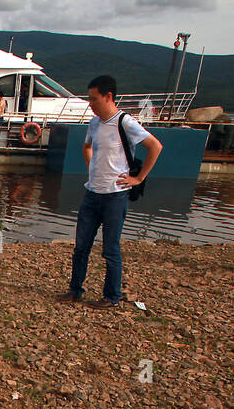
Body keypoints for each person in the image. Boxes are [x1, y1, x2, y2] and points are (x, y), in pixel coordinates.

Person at [65, 75, 163, 308]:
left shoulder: (125, 123)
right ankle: (75, 290)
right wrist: (92, 170)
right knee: (81, 247)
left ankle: (112, 296)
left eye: (94, 99)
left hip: (114, 196)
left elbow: (155, 146)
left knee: (110, 249)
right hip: (92, 193)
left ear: (108, 97)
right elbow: (86, 147)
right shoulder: (94, 123)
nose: (91, 104)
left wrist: (138, 178)